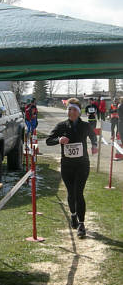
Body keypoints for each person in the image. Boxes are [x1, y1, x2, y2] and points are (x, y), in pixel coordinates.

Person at [46, 98, 97, 238]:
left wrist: (94, 145)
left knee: (79, 193)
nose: (71, 112)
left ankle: (81, 224)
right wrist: (59, 140)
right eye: (69, 109)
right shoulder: (61, 126)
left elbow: (93, 136)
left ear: (79, 112)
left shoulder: (85, 126)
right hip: (67, 165)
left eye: (74, 109)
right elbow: (48, 140)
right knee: (70, 193)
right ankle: (73, 215)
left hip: (82, 165)